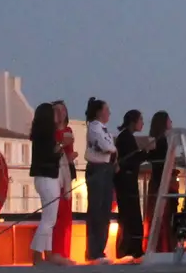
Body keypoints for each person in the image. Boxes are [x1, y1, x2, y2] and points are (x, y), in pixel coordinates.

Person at [27, 102, 65, 265]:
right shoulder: (46, 136)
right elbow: (51, 155)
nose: (57, 114)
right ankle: (36, 255)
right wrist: (62, 146)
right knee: (49, 220)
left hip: (45, 178)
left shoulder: (41, 135)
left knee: (49, 219)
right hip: (48, 178)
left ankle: (46, 255)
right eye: (54, 112)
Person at [82, 98, 118, 263]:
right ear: (99, 112)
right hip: (97, 169)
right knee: (96, 210)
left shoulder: (103, 129)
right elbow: (106, 147)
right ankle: (93, 250)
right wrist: (112, 150)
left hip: (106, 169)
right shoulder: (94, 128)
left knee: (105, 210)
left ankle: (100, 250)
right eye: (106, 110)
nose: (109, 113)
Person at [113, 110, 147, 259]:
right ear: (134, 121)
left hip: (127, 181)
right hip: (126, 182)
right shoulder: (126, 138)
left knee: (131, 215)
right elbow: (130, 159)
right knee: (130, 215)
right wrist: (144, 153)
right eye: (141, 120)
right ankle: (129, 249)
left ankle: (131, 248)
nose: (142, 123)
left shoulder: (125, 137)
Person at [141, 111, 173, 251]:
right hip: (161, 181)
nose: (171, 123)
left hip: (159, 180)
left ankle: (159, 247)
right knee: (162, 216)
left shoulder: (158, 140)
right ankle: (162, 248)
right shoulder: (161, 141)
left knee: (159, 216)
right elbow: (159, 161)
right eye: (169, 120)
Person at [52, 101, 78, 258]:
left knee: (66, 216)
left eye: (63, 110)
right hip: (56, 174)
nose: (61, 113)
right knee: (57, 215)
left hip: (67, 173)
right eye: (58, 110)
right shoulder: (51, 133)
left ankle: (65, 252)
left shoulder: (68, 130)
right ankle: (56, 252)